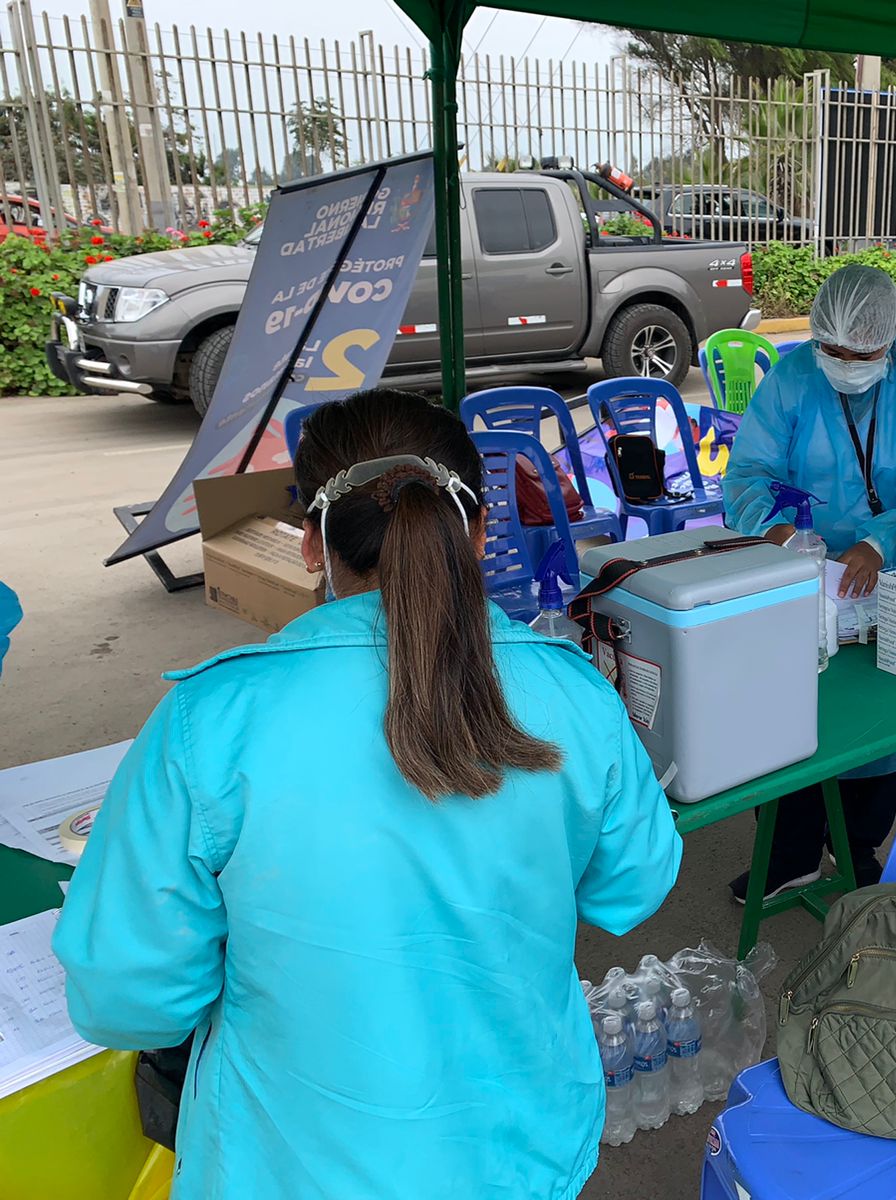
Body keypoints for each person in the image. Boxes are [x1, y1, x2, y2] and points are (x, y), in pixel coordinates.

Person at [54, 390, 682, 1200]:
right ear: (482, 535)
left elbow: (126, 997)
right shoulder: (576, 696)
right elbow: (633, 886)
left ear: (311, 545)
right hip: (518, 1148)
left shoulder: (210, 719)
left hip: (290, 1164)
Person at [723, 264, 896, 901]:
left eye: (862, 353)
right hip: (802, 572)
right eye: (832, 351)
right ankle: (788, 853)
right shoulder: (792, 379)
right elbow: (749, 472)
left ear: (890, 340)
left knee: (878, 719)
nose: (847, 363)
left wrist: (877, 541)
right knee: (792, 704)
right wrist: (783, 535)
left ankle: (857, 843)